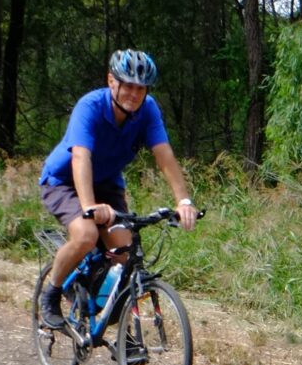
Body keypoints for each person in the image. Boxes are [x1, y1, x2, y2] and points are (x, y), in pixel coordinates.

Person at [36, 48, 197, 329]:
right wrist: (88, 206)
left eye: (141, 88)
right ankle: (52, 292)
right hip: (63, 181)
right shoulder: (90, 107)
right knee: (86, 235)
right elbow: (80, 157)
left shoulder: (147, 110)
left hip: (108, 185)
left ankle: (117, 324)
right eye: (128, 86)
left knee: (125, 252)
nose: (134, 94)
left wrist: (183, 200)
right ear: (112, 81)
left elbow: (164, 156)